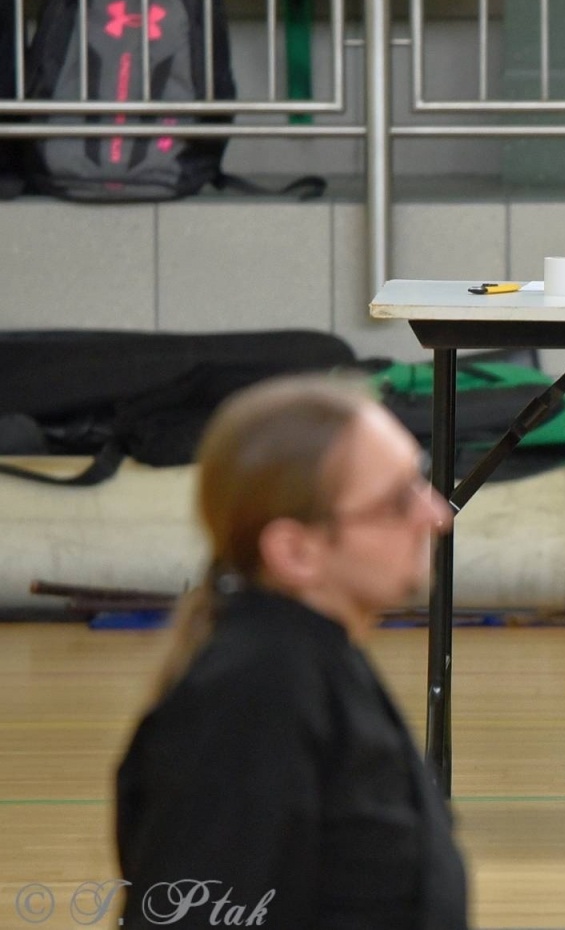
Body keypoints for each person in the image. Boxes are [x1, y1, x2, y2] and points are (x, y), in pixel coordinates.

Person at [115, 376, 469, 929]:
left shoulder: (315, 656)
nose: (436, 515)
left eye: (420, 481)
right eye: (398, 499)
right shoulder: (253, 697)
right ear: (295, 550)